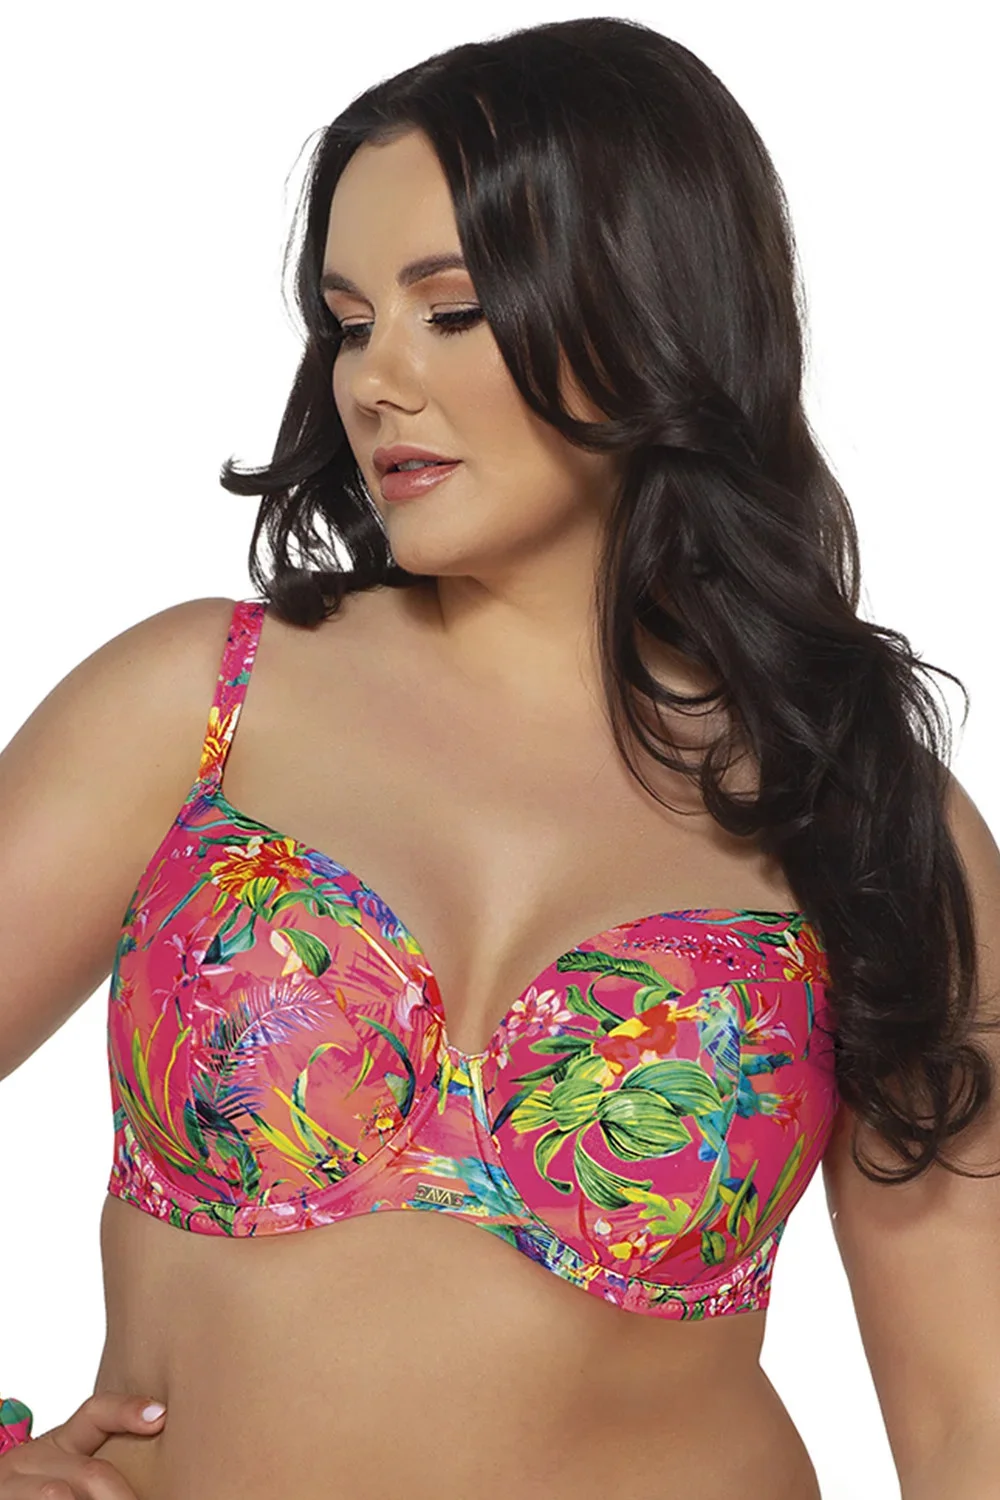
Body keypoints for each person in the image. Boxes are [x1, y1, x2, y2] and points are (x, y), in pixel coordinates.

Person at [2, 16, 999, 1500]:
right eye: (350, 323)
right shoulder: (206, 701)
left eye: (453, 311)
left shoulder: (858, 815)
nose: (375, 380)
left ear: (647, 310)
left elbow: (973, 1419)